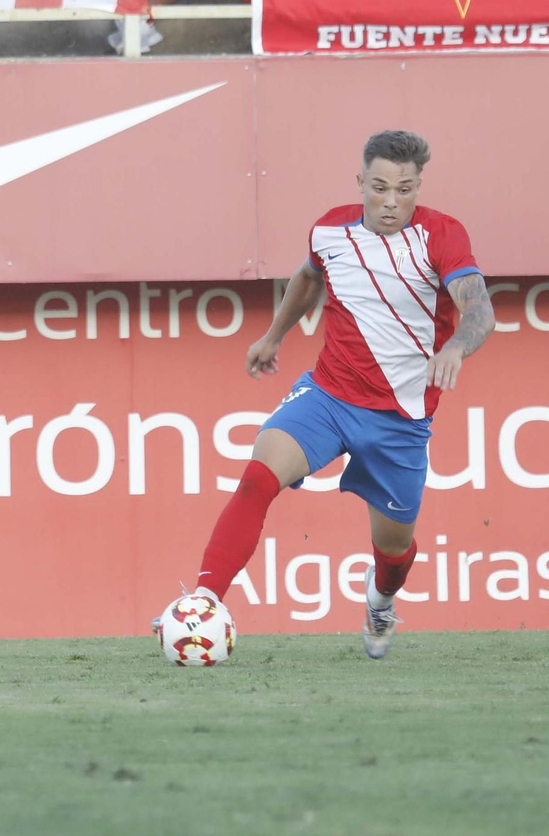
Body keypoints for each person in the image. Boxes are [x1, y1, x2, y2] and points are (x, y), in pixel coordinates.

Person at [156, 129, 495, 659]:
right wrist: (273, 336)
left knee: (394, 546)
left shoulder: (442, 236)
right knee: (256, 479)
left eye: (405, 189)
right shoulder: (329, 230)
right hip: (328, 396)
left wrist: (457, 349)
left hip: (400, 421)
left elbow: (479, 307)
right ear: (361, 182)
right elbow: (308, 278)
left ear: (419, 186)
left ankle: (381, 601)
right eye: (380, 187)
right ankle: (203, 602)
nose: (391, 201)